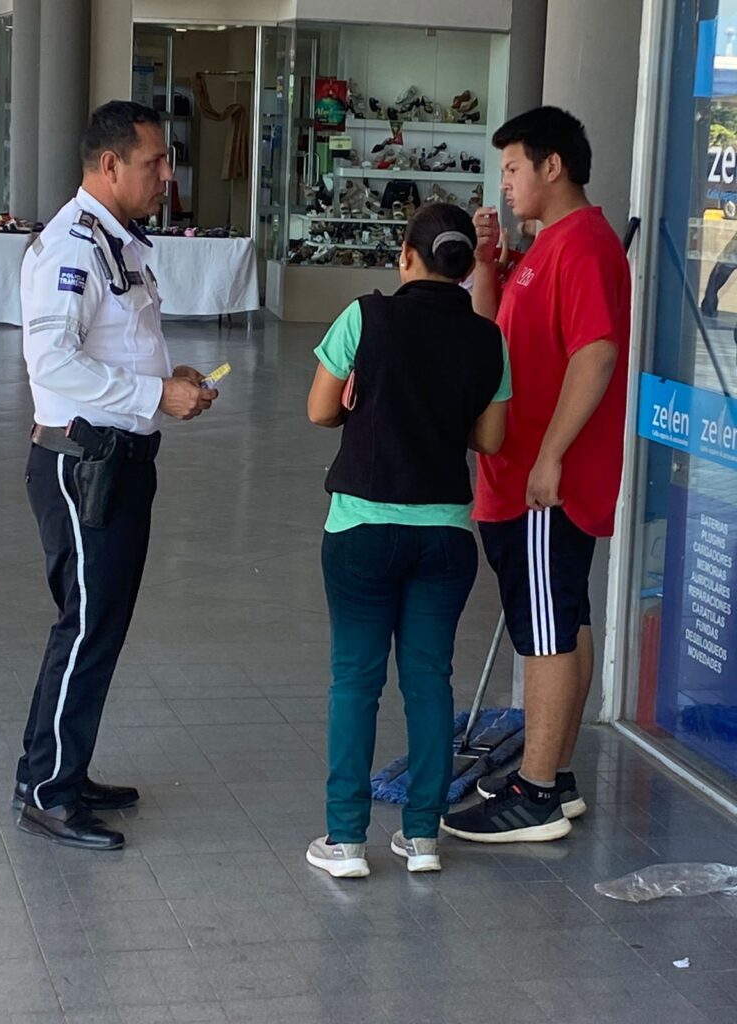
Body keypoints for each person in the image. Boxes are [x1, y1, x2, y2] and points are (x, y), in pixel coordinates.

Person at [14, 101, 219, 851]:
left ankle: (62, 768)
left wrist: (171, 377)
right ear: (108, 166)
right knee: (85, 626)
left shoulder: (119, 241)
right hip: (83, 463)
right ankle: (48, 791)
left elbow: (119, 340)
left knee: (96, 626)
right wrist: (153, 395)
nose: (166, 175)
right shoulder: (72, 243)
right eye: (153, 162)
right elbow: (54, 361)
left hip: (123, 460)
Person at [442, 106, 631, 844]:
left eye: (514, 167)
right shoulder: (544, 246)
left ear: (554, 166)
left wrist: (551, 453)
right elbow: (496, 334)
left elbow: (597, 354)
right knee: (565, 621)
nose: (506, 183)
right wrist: (489, 261)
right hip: (517, 477)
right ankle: (556, 773)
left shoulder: (582, 245)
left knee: (546, 633)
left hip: (543, 485)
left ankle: (537, 790)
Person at [305, 203, 510, 877]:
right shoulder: (487, 340)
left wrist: (367, 394)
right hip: (444, 535)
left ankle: (345, 842)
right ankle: (422, 836)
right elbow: (490, 441)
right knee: (428, 682)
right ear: (465, 266)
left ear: (405, 256)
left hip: (361, 528)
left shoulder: (365, 318)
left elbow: (320, 410)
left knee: (354, 682)